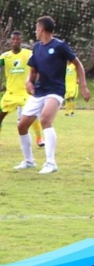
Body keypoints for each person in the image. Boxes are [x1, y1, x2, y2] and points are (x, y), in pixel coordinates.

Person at [13, 16, 90, 174]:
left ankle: (50, 163)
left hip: (55, 90)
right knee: (21, 126)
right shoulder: (37, 47)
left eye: (36, 28)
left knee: (45, 120)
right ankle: (29, 161)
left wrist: (83, 86)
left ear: (41, 29)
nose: (35, 31)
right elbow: (33, 70)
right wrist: (29, 81)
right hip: (39, 91)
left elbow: (78, 64)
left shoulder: (60, 46)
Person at [0, 31, 44, 147]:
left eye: (17, 39)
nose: (15, 42)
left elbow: (38, 67)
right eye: (13, 39)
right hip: (10, 94)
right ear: (10, 41)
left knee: (32, 116)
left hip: (25, 93)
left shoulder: (29, 54)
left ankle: (40, 139)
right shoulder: (5, 56)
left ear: (21, 40)